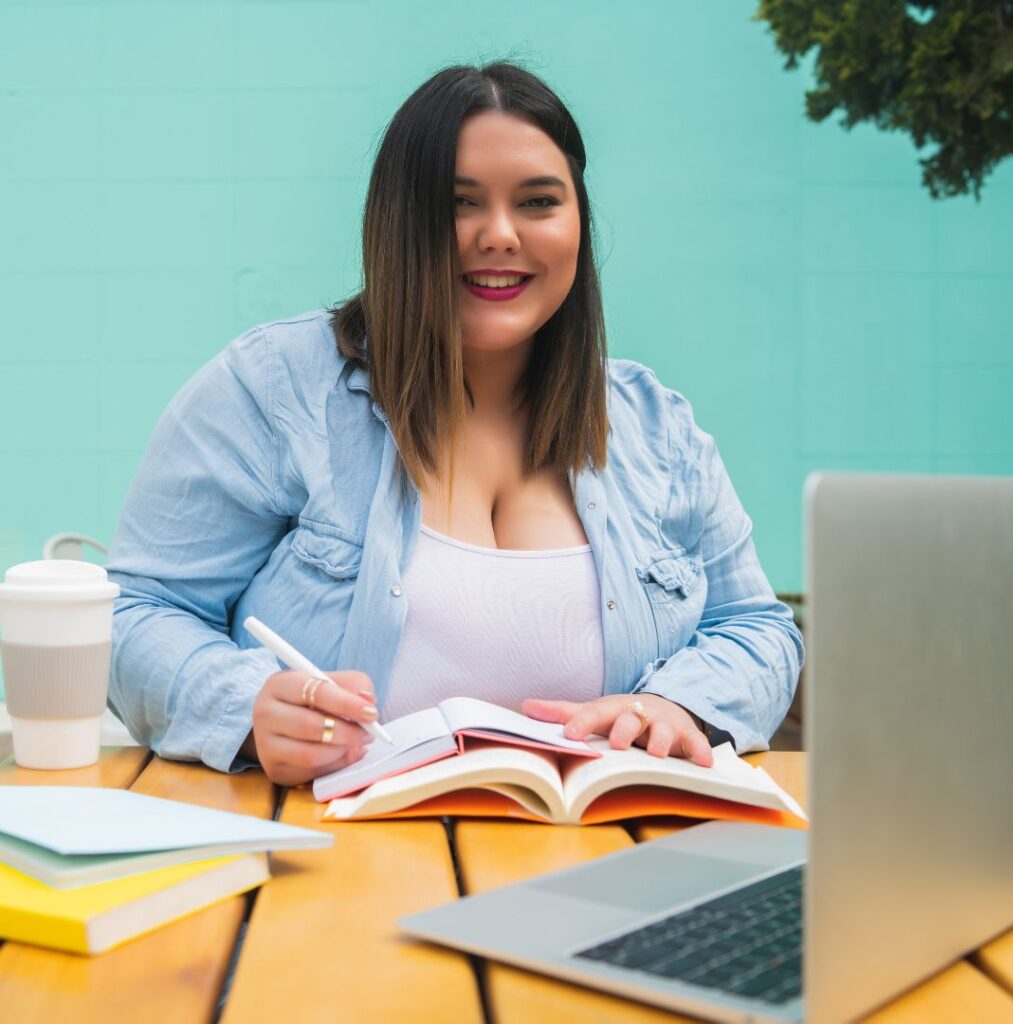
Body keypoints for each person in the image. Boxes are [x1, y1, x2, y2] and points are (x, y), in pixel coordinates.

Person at [105, 61, 803, 787]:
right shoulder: (272, 389)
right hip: (333, 864)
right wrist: (244, 706)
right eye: (458, 204)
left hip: (605, 852)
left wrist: (677, 704)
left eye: (538, 202)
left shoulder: (659, 429)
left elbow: (758, 629)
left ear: (578, 223)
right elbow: (133, 614)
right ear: (397, 222)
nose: (500, 235)